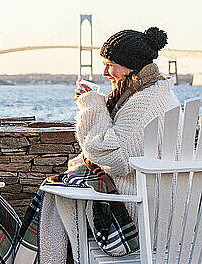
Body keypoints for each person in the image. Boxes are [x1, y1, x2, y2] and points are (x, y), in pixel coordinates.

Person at [72, 25, 179, 223]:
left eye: (110, 64)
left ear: (131, 66)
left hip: (139, 215)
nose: (105, 72)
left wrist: (92, 105)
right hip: (160, 207)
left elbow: (112, 157)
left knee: (56, 193)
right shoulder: (157, 93)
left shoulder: (144, 102)